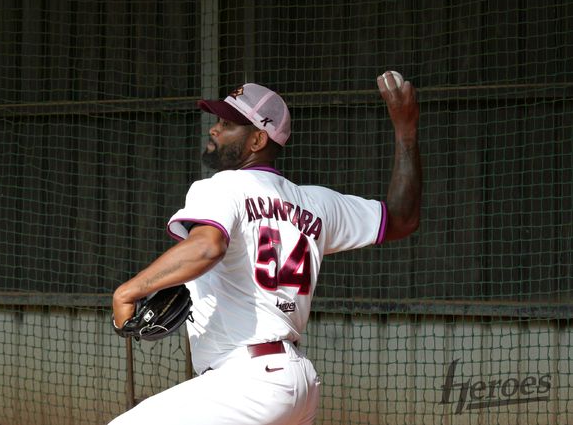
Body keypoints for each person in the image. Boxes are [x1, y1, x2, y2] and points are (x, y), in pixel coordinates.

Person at [110, 73, 421, 425]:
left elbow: (207, 247)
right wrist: (406, 130)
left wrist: (128, 291)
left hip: (248, 382)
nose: (215, 129)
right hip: (297, 382)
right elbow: (402, 218)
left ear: (258, 139)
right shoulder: (316, 203)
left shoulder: (222, 187)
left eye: (228, 124)